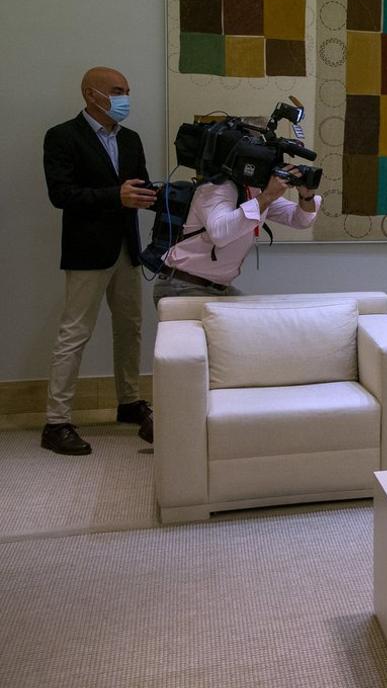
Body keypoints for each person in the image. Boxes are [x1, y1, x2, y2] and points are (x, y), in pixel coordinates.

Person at [43, 67, 156, 455]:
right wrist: (115, 197)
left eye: (127, 90)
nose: (125, 97)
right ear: (92, 95)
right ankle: (56, 421)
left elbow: (137, 188)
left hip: (127, 248)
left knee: (131, 327)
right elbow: (61, 194)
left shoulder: (132, 139)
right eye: (117, 90)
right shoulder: (62, 137)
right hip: (87, 249)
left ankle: (129, 401)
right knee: (74, 333)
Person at [152, 165, 320, 303]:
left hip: (216, 289)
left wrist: (307, 196)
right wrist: (268, 195)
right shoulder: (216, 187)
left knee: (262, 324)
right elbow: (220, 234)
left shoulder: (253, 192)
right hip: (184, 286)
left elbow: (300, 220)